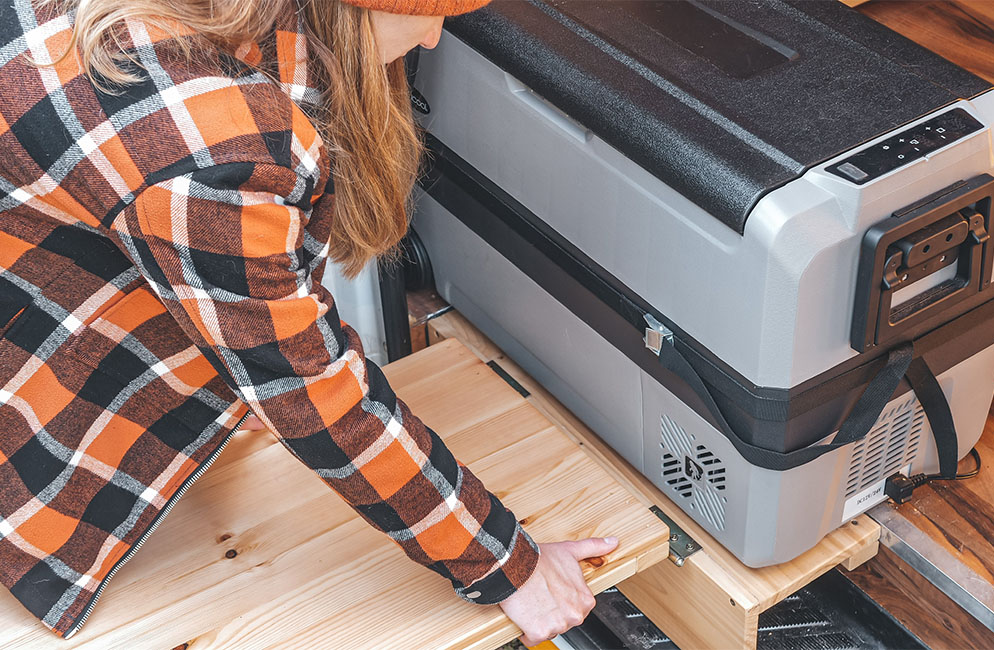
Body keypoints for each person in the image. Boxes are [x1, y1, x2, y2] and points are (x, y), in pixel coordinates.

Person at [0, 0, 618, 644]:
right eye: (434, 13)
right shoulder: (215, 150)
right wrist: (506, 566)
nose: (435, 39)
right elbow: (307, 388)